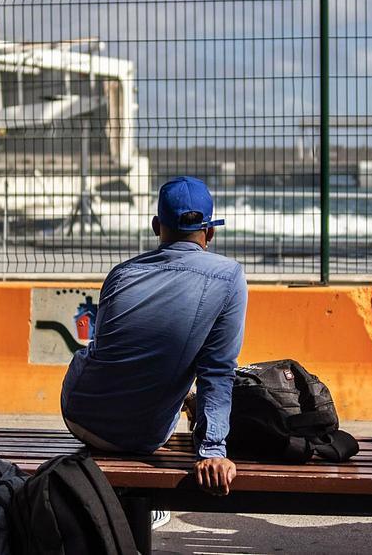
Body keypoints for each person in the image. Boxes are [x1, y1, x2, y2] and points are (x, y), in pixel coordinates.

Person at [61, 176, 247, 521]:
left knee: (95, 355)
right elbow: (217, 371)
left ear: (156, 226)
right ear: (210, 232)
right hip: (141, 438)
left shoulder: (122, 273)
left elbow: (112, 351)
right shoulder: (229, 277)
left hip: (78, 414)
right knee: (178, 371)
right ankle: (149, 506)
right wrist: (211, 451)